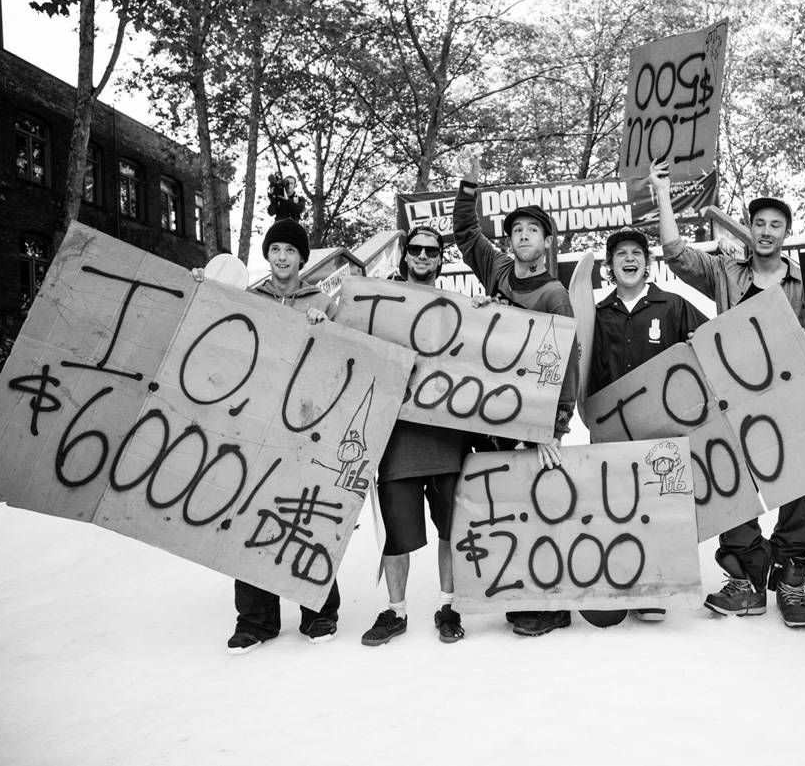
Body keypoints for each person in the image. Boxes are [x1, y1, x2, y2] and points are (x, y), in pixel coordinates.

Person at [658, 160, 805, 628]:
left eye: (775, 225)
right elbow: (674, 251)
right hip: (732, 402)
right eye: (759, 224)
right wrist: (662, 191)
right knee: (730, 482)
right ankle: (745, 580)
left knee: (799, 486)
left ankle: (791, 581)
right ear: (748, 230)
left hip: (789, 402)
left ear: (786, 232)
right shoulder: (725, 272)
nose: (766, 231)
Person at [452, 154, 578, 638]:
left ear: (547, 243)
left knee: (539, 508)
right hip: (492, 420)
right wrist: (469, 185)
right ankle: (520, 594)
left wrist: (555, 430)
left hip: (533, 424)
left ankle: (553, 605)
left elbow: (567, 366)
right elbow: (466, 234)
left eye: (532, 230)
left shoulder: (554, 297)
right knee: (505, 508)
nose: (522, 236)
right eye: (516, 230)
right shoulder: (498, 273)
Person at [227, 218, 341, 653]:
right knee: (248, 514)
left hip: (305, 430)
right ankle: (255, 621)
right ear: (268, 255)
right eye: (275, 249)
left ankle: (318, 612)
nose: (281, 257)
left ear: (301, 259)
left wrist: (325, 325)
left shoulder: (322, 302)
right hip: (254, 425)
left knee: (307, 515)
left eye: (290, 251)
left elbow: (344, 359)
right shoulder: (250, 299)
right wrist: (204, 284)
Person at [589, 222, 709, 622]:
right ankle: (621, 581)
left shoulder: (672, 306)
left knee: (660, 509)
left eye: (636, 254)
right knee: (615, 508)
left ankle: (654, 589)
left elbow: (710, 343)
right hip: (610, 432)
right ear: (610, 265)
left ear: (647, 263)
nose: (629, 259)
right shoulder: (595, 313)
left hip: (663, 431)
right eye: (620, 254)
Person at [361, 226, 470, 646]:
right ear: (405, 256)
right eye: (416, 250)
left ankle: (448, 606)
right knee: (396, 532)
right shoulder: (379, 304)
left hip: (446, 440)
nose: (423, 256)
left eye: (432, 251)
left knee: (451, 530)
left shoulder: (460, 309)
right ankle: (396, 611)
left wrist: (489, 311)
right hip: (397, 441)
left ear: (440, 259)